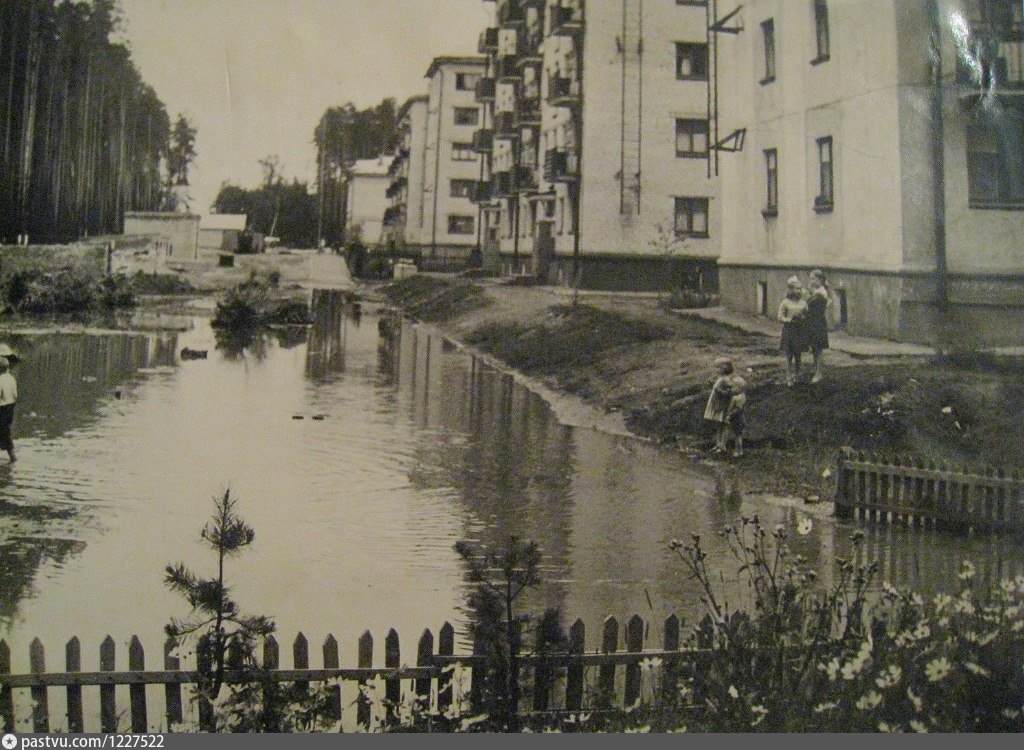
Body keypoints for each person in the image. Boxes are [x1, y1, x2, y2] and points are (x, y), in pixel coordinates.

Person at [778, 276, 808, 386]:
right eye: (796, 289)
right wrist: (788, 319)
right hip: (789, 330)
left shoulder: (803, 303)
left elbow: (807, 315)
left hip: (799, 330)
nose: (798, 291)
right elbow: (780, 317)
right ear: (790, 290)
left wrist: (803, 318)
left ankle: (797, 375)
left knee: (798, 355)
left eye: (800, 289)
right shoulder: (785, 302)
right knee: (789, 355)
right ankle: (788, 377)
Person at [704, 357, 735, 453]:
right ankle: (719, 445)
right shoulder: (721, 379)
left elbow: (728, 393)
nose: (716, 370)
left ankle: (722, 446)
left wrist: (716, 388)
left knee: (724, 425)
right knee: (720, 425)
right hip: (718, 404)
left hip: (723, 405)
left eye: (718, 368)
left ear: (724, 368)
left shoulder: (726, 380)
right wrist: (712, 385)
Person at [805, 269, 830, 383]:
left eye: (813, 278)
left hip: (818, 322)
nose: (811, 281)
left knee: (818, 349)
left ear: (819, 280)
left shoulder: (821, 292)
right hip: (812, 322)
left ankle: (819, 373)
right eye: (810, 278)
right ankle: (816, 370)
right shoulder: (815, 291)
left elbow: (812, 304)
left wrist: (808, 295)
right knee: (814, 348)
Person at [724, 374, 747, 458]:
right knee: (737, 436)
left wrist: (730, 415)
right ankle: (738, 450)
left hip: (738, 419)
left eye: (733, 387)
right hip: (737, 419)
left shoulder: (738, 398)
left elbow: (738, 409)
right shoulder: (739, 396)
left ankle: (739, 451)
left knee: (737, 437)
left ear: (739, 388)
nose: (731, 389)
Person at [0, 357, 17, 462]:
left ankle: (13, 458)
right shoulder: (11, 378)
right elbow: (15, 395)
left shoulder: (0, 379)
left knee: (4, 433)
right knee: (5, 431)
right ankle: (12, 458)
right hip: (10, 407)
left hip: (1, 407)